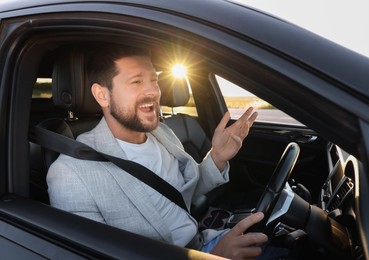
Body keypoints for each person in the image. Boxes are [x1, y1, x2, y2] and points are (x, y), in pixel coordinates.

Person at [47, 45, 270, 259]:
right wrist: (215, 258)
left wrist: (218, 156)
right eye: (136, 82)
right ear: (102, 95)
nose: (152, 91)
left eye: (155, 80)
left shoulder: (162, 133)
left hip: (202, 242)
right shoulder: (71, 173)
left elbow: (186, 192)